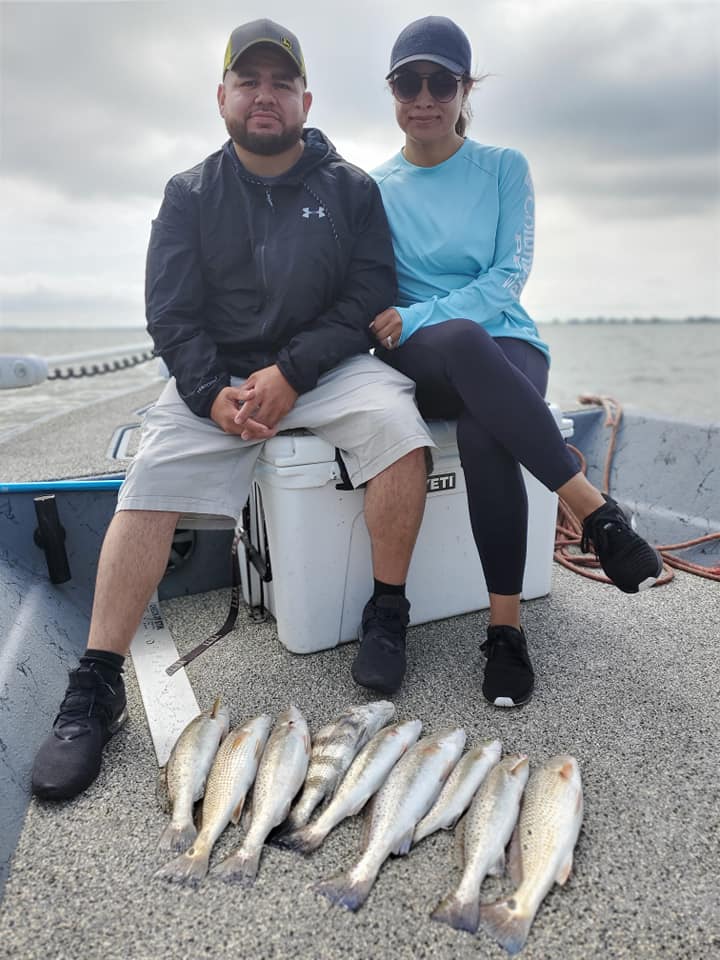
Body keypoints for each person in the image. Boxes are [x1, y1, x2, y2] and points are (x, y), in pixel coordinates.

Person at [31, 19, 433, 802]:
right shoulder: (188, 194)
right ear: (222, 96)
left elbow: (369, 295)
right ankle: (97, 681)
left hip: (324, 366)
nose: (264, 95)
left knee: (399, 427)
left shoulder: (351, 189)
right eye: (248, 81)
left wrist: (291, 371)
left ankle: (387, 609)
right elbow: (171, 314)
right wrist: (210, 392)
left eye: (281, 83)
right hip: (217, 381)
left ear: (305, 99)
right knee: (147, 475)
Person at [367, 16, 663, 708]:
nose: (424, 96)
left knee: (484, 423)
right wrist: (411, 321)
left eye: (442, 80)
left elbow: (508, 278)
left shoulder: (504, 168)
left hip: (510, 343)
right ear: (392, 90)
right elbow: (372, 291)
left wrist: (419, 311)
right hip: (434, 352)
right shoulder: (374, 188)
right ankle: (595, 514)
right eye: (408, 81)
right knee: (466, 343)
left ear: (466, 88)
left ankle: (506, 631)